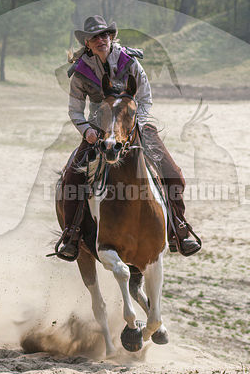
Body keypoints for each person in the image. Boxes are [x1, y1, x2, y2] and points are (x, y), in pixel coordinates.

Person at [57, 15, 201, 259]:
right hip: (98, 130)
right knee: (71, 179)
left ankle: (179, 228)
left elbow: (145, 98)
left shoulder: (130, 62)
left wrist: (136, 125)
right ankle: (72, 235)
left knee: (173, 175)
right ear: (88, 43)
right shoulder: (80, 73)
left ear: (111, 37)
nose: (101, 40)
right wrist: (87, 131)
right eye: (95, 37)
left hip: (134, 125)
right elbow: (74, 110)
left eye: (104, 35)